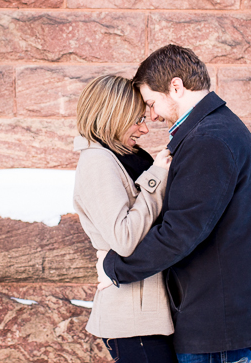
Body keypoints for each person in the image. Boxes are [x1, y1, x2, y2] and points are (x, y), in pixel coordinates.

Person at [97, 45, 251, 363]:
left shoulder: (209, 140)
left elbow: (182, 231)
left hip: (217, 323)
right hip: (221, 319)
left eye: (151, 102)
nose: (152, 116)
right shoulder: (213, 130)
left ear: (175, 87)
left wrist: (115, 268)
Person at [73, 74, 178, 363]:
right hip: (133, 319)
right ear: (112, 117)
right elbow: (124, 238)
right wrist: (157, 176)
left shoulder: (123, 156)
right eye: (136, 120)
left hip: (146, 313)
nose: (145, 129)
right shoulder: (97, 162)